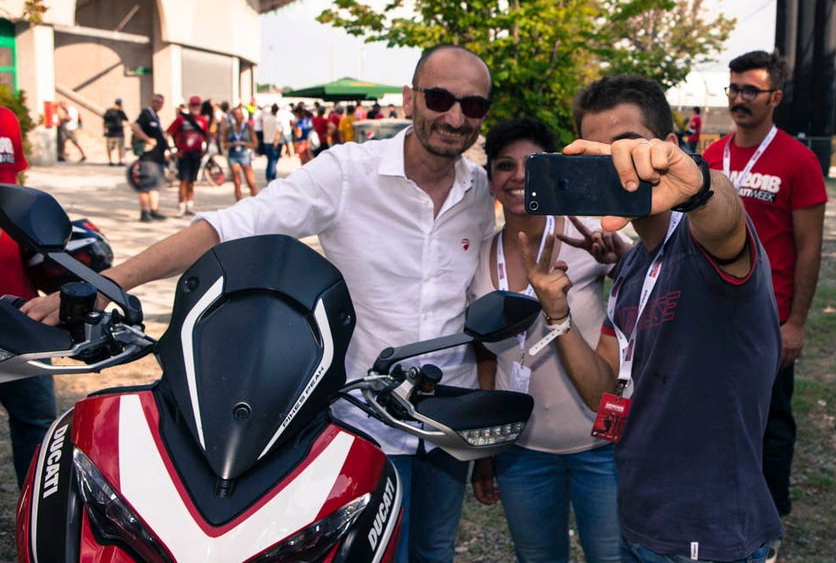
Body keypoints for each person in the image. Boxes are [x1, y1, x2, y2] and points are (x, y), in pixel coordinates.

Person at [22, 45, 496, 563]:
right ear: (410, 99)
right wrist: (104, 283)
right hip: (365, 420)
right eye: (440, 98)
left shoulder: (481, 190)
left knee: (436, 550)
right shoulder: (346, 173)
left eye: (472, 106)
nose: (454, 117)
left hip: (445, 420)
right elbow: (227, 229)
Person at [518, 74, 783, 563]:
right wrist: (558, 316)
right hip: (641, 522)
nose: (618, 164)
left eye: (627, 146)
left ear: (668, 148)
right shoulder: (633, 264)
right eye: (602, 153)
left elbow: (725, 222)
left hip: (710, 536)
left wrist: (699, 187)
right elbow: (604, 391)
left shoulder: (705, 241)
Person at [470, 117, 622, 563]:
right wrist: (486, 452)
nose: (518, 176)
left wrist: (619, 257)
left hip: (602, 448)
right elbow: (483, 358)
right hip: (522, 453)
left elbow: (649, 291)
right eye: (504, 165)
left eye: (532, 164)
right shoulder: (479, 254)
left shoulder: (587, 237)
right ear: (491, 181)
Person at [703, 50, 827, 531]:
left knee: (769, 419)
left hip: (766, 317)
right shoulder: (712, 156)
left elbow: (809, 248)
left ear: (775, 97)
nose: (739, 98)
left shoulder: (799, 160)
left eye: (750, 90)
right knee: (712, 411)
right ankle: (717, 501)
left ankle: (768, 514)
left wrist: (795, 322)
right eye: (733, 88)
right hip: (710, 314)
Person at [0, 105, 58, 487]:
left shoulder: (6, 119)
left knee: (37, 423)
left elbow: (17, 190)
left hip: (19, 308)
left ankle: (35, 524)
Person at [167, 97, 209, 215]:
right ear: (189, 106)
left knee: (192, 181)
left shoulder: (203, 120)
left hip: (196, 154)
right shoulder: (181, 119)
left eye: (197, 105)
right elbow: (168, 133)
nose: (195, 108)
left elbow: (207, 135)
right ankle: (181, 206)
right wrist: (173, 150)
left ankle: (190, 205)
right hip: (184, 154)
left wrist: (205, 150)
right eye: (193, 105)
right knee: (183, 181)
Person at [131, 94, 169, 222]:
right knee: (146, 185)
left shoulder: (155, 116)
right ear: (151, 101)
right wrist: (147, 140)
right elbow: (134, 126)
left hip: (157, 157)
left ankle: (154, 210)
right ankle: (145, 212)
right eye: (156, 102)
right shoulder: (146, 114)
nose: (159, 104)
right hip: (148, 158)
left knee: (156, 185)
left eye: (161, 102)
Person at [221, 105, 258, 201]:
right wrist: (228, 144)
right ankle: (239, 205)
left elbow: (255, 144)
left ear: (243, 115)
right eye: (235, 114)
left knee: (251, 182)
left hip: (245, 155)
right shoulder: (229, 128)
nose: (237, 116)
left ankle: (256, 203)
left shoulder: (248, 127)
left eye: (239, 114)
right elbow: (224, 143)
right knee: (237, 182)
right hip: (233, 155)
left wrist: (243, 143)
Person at [260, 103, 282, 182]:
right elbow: (278, 132)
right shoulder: (277, 120)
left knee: (269, 160)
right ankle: (271, 178)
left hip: (266, 141)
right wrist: (276, 143)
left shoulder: (266, 118)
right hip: (273, 142)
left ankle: (268, 176)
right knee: (273, 161)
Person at [103, 98, 128, 166]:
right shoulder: (118, 112)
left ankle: (111, 161)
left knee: (111, 148)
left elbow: (104, 121)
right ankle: (118, 161)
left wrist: (104, 130)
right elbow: (126, 120)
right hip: (118, 132)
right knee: (119, 148)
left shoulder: (110, 111)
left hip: (112, 132)